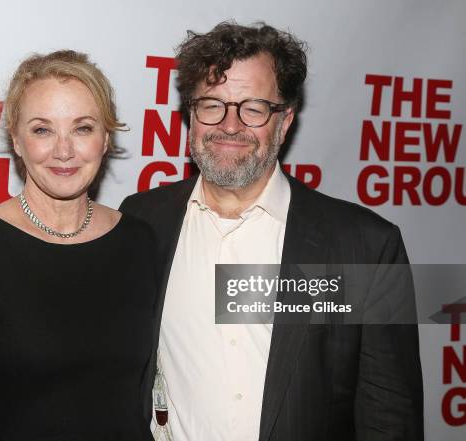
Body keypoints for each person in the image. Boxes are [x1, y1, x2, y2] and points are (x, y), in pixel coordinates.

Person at [120, 22, 424, 441]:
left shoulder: (363, 247)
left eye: (254, 107)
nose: (230, 125)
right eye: (212, 104)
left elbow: (389, 416)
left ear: (284, 122)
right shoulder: (142, 221)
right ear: (191, 115)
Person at [0, 50, 157, 440]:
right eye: (42, 129)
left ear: (105, 139)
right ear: (17, 140)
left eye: (82, 128)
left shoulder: (141, 242)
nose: (63, 150)